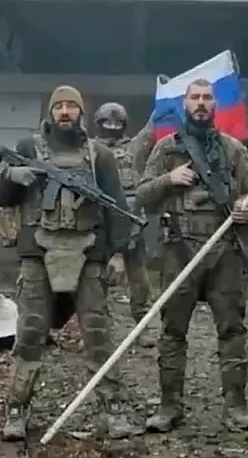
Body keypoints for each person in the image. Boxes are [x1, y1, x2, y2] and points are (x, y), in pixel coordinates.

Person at [0, 86, 141, 441]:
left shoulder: (99, 155)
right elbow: (2, 198)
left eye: (71, 106)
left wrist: (118, 252)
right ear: (50, 111)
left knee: (98, 333)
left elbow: (116, 206)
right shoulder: (29, 148)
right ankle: (17, 409)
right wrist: (11, 177)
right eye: (58, 106)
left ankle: (113, 408)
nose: (64, 112)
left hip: (89, 253)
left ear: (81, 113)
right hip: (37, 253)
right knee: (30, 333)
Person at [135, 78, 248, 433]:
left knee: (233, 331)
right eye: (195, 98)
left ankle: (236, 408)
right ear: (185, 104)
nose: (201, 103)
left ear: (215, 105)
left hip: (225, 252)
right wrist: (169, 179)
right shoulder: (166, 150)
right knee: (172, 332)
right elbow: (142, 195)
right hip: (179, 251)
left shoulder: (233, 149)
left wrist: (246, 208)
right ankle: (169, 407)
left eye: (207, 98)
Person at [92, 102, 157, 349]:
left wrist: (166, 97)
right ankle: (100, 330)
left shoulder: (134, 147)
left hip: (130, 220)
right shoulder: (89, 149)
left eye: (117, 123)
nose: (112, 127)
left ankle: (143, 328)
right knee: (96, 280)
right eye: (107, 122)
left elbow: (151, 130)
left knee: (140, 281)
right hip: (100, 221)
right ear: (98, 124)